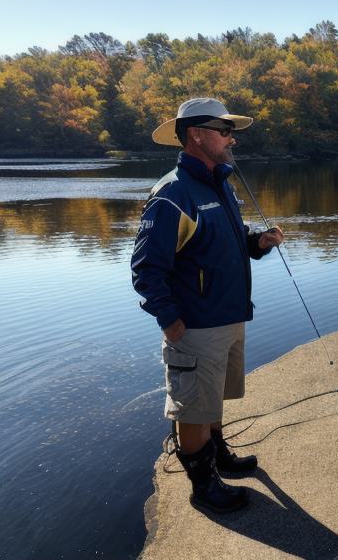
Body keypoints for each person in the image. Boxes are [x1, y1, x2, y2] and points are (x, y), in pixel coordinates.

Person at [131, 97, 285, 513]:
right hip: (195, 326)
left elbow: (231, 244)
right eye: (225, 130)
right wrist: (171, 322)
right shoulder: (172, 194)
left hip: (229, 317)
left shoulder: (221, 185)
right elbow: (146, 269)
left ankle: (218, 457)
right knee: (193, 408)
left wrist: (259, 243)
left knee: (211, 398)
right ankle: (204, 488)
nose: (231, 138)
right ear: (198, 135)